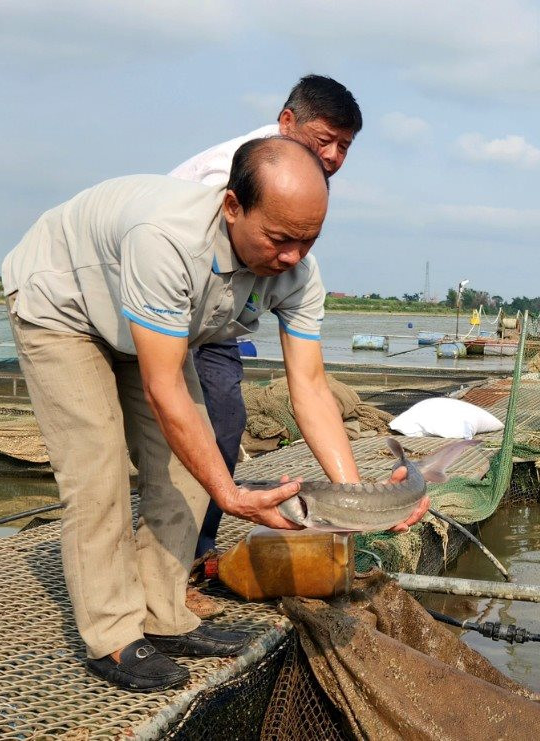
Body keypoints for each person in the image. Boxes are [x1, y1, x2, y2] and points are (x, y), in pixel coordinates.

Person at [2, 137, 424, 692]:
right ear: (232, 207)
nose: (292, 256)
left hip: (151, 328)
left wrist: (354, 501)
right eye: (278, 239)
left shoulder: (298, 270)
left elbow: (312, 387)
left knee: (186, 472)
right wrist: (232, 494)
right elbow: (162, 388)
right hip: (66, 307)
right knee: (97, 470)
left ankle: (163, 612)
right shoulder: (168, 240)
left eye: (308, 240)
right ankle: (111, 635)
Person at [168, 76, 361, 618]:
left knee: (225, 426)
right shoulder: (224, 178)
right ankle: (161, 578)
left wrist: (354, 499)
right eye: (324, 139)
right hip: (162, 306)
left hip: (219, 317)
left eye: (344, 146)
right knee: (174, 438)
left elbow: (311, 384)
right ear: (286, 123)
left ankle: (193, 558)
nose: (333, 156)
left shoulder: (303, 196)